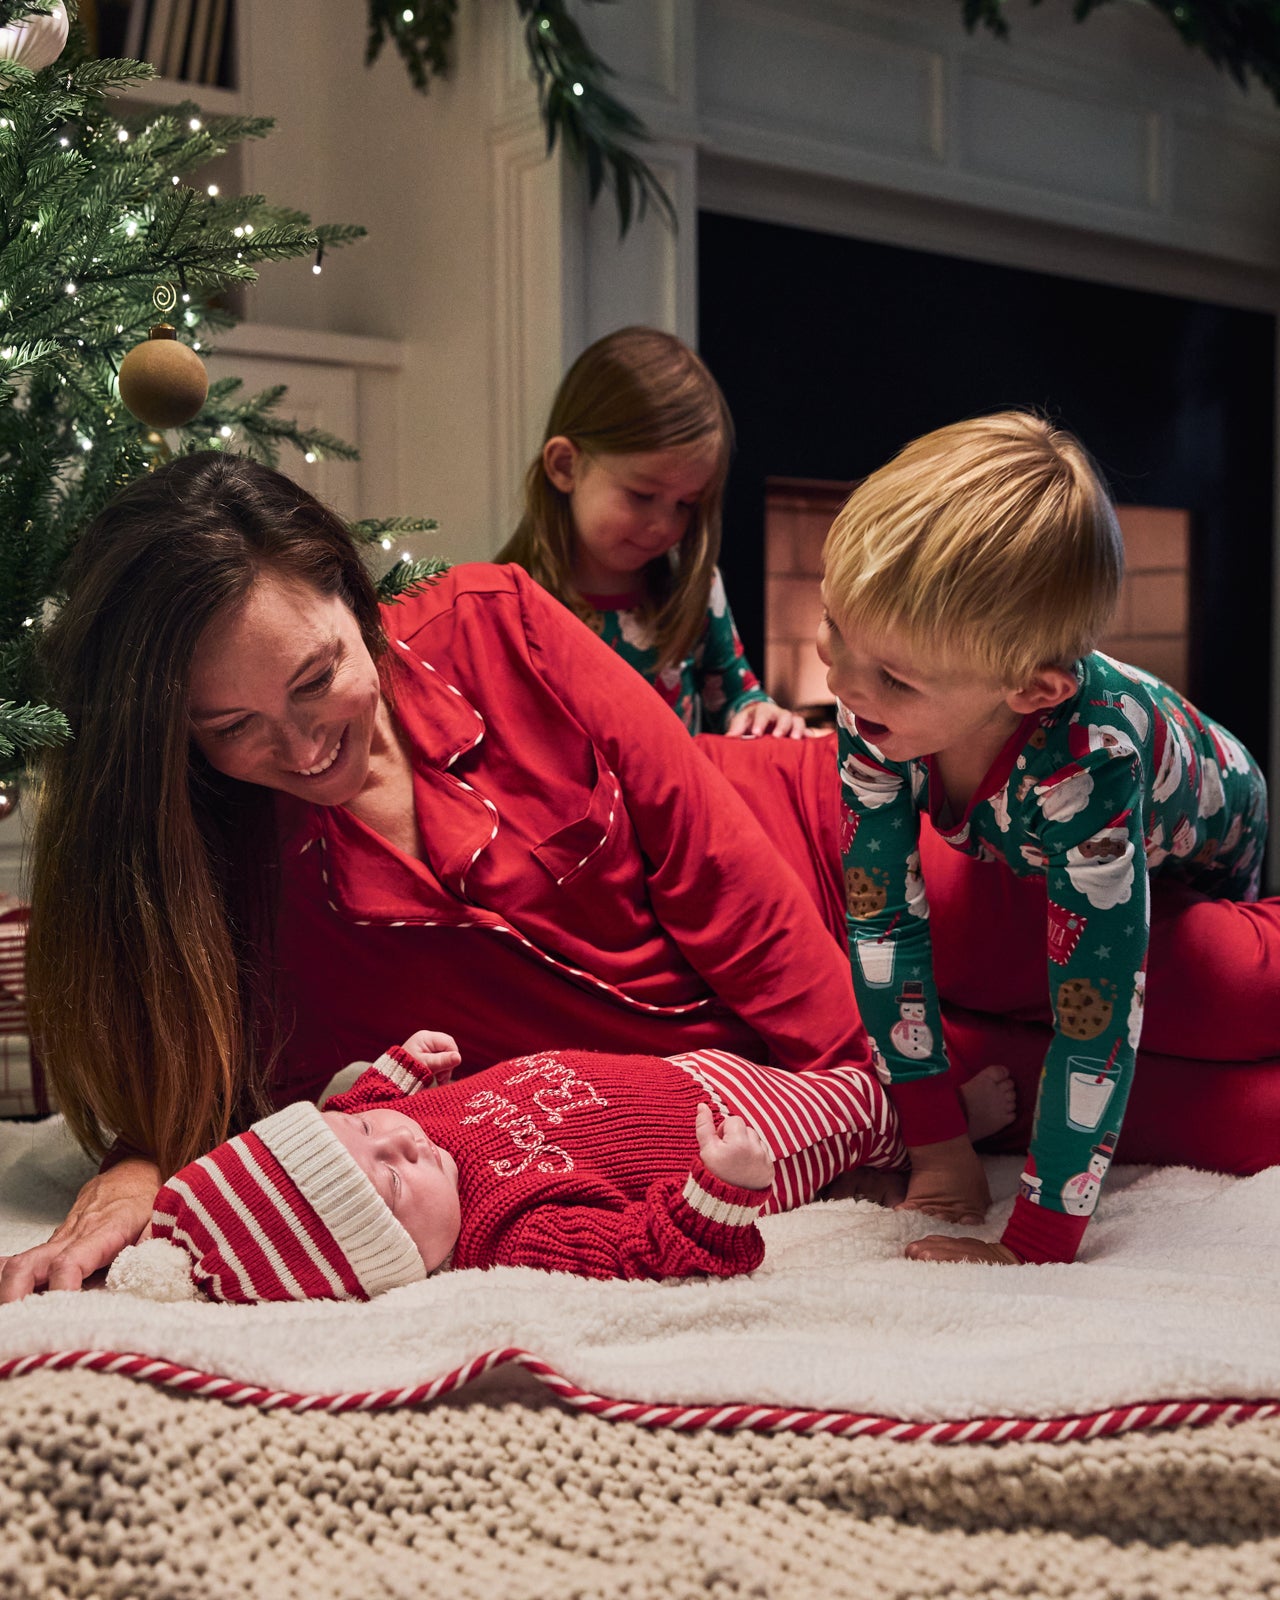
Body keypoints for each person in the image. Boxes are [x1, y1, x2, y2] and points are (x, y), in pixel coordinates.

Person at [2, 451, 871, 1303]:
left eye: (317, 678)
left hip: (820, 845)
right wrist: (140, 1168)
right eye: (232, 726)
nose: (303, 747)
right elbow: (220, 1088)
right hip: (717, 1088)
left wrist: (873, 1094)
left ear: (353, 596)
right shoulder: (218, 876)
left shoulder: (494, 620)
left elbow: (719, 870)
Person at [817, 410, 1270, 1268]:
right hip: (1027, 832)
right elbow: (881, 927)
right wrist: (939, 1148)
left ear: (1031, 690)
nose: (840, 679)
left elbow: (1095, 1019)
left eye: (893, 678)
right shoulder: (869, 709)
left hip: (1208, 837)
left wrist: (1034, 1245)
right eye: (835, 626)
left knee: (1191, 999)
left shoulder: (1088, 770)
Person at [106, 1026, 909, 1300]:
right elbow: (644, 1252)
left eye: (369, 1131)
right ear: (397, 1260)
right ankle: (920, 1131)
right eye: (392, 1183)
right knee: (864, 1103)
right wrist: (723, 1188)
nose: (401, 1142)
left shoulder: (392, 1136)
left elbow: (354, 1107)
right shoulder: (513, 1237)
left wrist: (401, 1070)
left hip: (675, 1069)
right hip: (734, 1131)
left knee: (829, 1065)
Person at [496, 326, 806, 739]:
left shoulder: (694, 590)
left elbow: (735, 696)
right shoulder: (505, 603)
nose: (664, 525)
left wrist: (759, 713)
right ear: (565, 466)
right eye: (641, 495)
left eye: (686, 504)